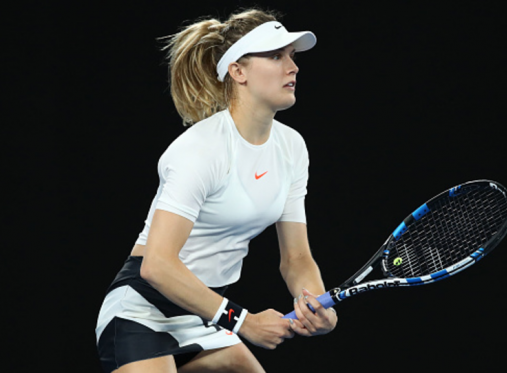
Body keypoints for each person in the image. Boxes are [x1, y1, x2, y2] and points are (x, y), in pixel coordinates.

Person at [94, 8, 338, 373]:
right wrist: (244, 322)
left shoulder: (292, 148)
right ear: (238, 72)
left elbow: (296, 259)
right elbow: (157, 266)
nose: (293, 67)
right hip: (144, 310)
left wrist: (316, 304)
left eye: (292, 56)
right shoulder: (199, 149)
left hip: (206, 312)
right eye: (275, 55)